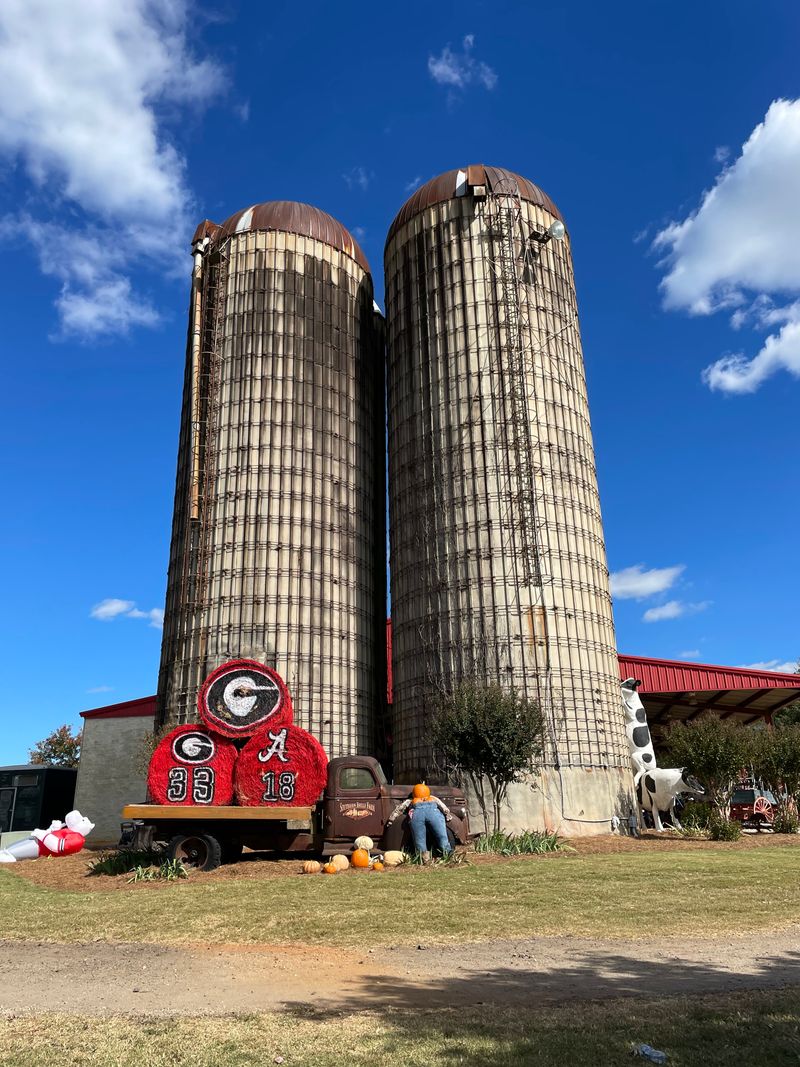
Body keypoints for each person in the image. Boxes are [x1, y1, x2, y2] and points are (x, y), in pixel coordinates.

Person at [386, 783, 454, 863]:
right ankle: (447, 854)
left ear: (414, 793)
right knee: (441, 835)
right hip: (433, 813)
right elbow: (442, 806)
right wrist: (447, 814)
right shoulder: (433, 798)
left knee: (419, 839)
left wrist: (391, 819)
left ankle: (424, 859)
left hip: (417, 814)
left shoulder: (410, 800)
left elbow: (399, 809)